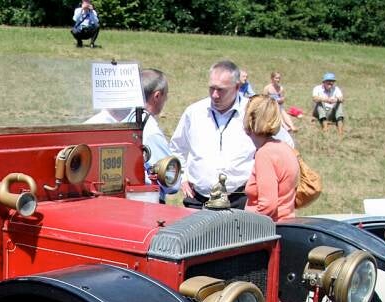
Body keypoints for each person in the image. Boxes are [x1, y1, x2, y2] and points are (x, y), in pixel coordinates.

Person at [170, 59, 287, 209]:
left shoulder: (254, 112)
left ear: (237, 87)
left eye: (221, 90)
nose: (215, 95)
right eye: (211, 88)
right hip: (198, 199)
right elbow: (177, 149)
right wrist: (182, 177)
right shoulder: (194, 112)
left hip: (241, 200)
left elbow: (283, 147)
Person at [85, 69, 175, 202]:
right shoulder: (149, 130)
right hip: (143, 206)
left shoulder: (89, 126)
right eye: (165, 95)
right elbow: (171, 182)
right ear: (157, 96)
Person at [242, 95, 299, 221]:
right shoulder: (284, 148)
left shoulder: (265, 154)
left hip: (266, 232)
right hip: (285, 224)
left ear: (250, 119)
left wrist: (244, 225)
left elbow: (267, 206)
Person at [312, 72, 345, 137]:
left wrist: (336, 100)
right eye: (329, 81)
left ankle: (340, 129)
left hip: (331, 111)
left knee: (339, 104)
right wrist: (326, 100)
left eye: (332, 81)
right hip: (320, 110)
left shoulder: (336, 89)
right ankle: (325, 126)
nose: (331, 83)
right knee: (319, 102)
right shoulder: (317, 88)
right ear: (324, 82)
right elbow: (314, 98)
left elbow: (342, 98)